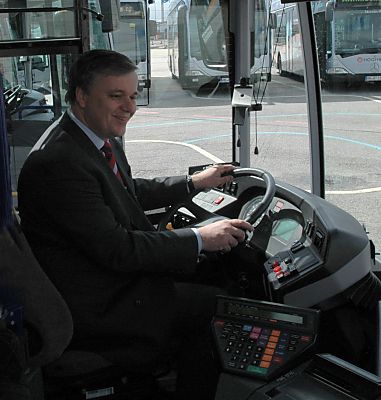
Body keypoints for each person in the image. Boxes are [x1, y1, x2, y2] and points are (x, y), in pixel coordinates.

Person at [17, 49, 253, 399]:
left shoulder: (94, 140)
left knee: (208, 274)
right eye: (116, 96)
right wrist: (200, 239)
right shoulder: (58, 163)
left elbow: (127, 191)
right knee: (220, 306)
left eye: (132, 96)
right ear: (82, 96)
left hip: (107, 282)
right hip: (100, 306)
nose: (130, 107)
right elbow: (119, 250)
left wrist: (194, 184)